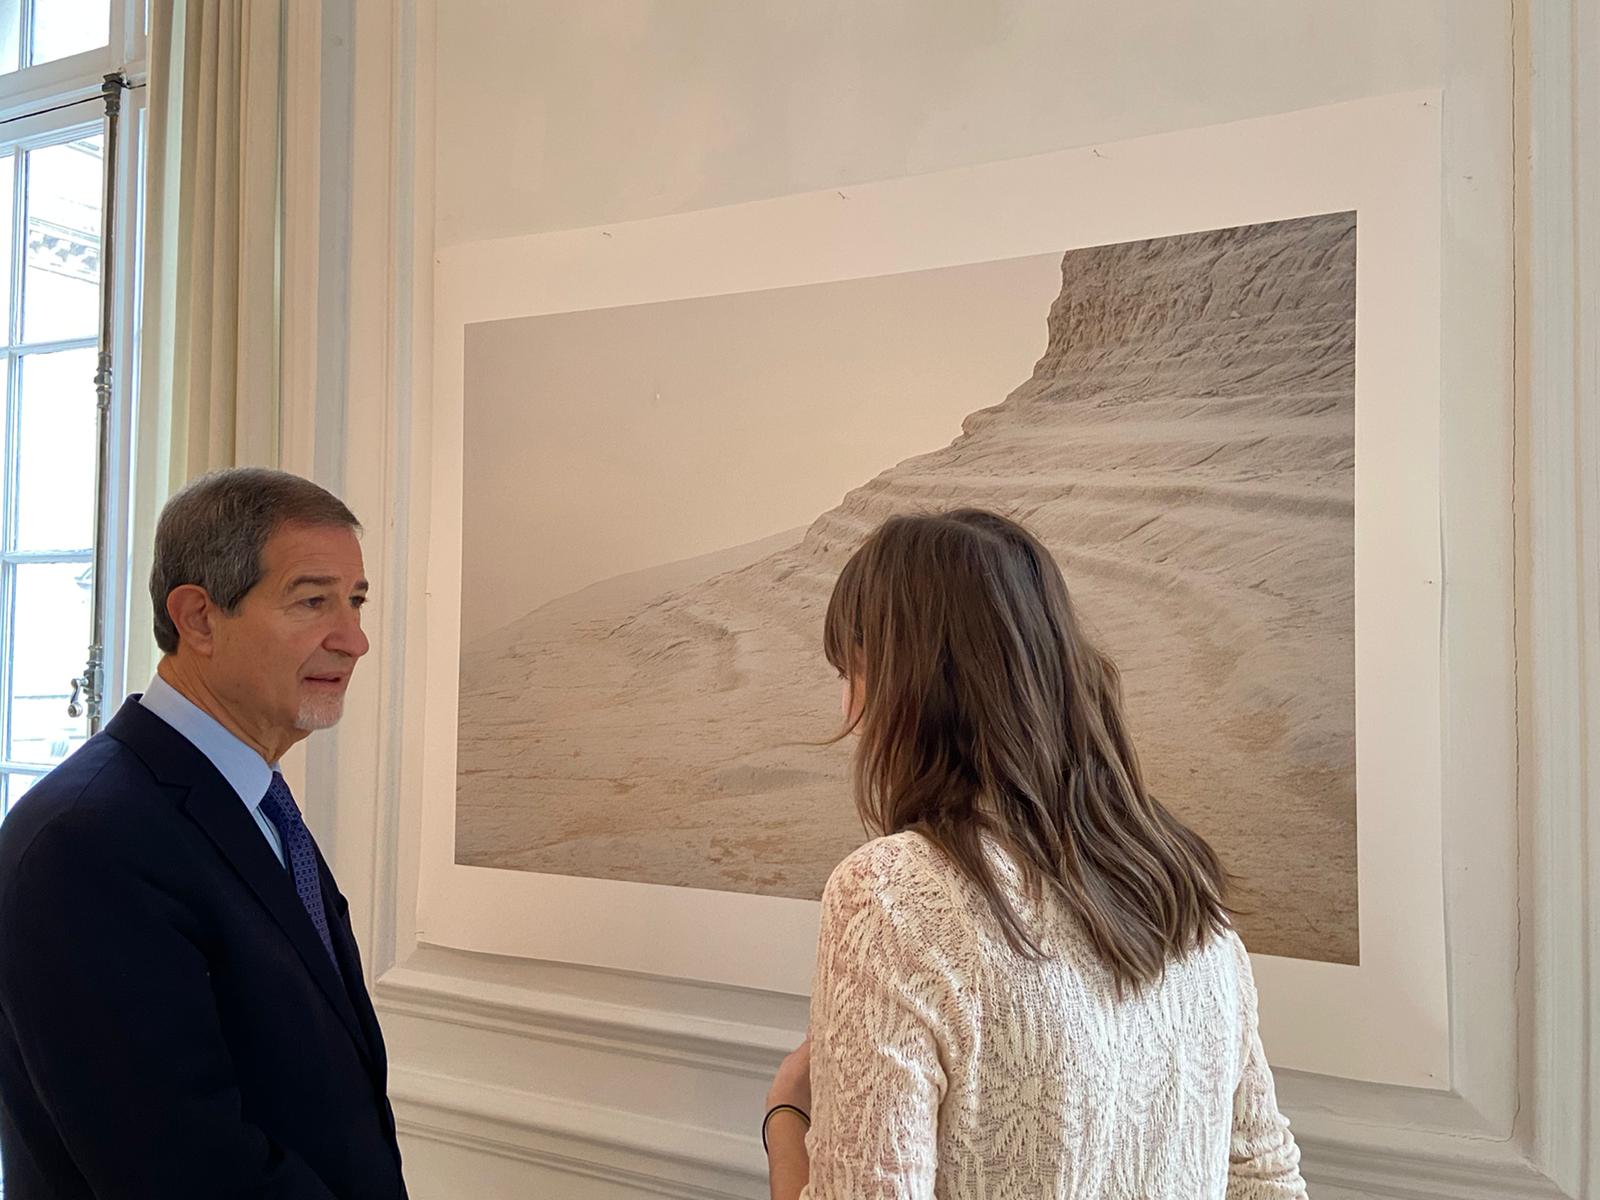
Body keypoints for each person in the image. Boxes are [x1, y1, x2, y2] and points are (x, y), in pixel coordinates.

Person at [762, 509, 1307, 1199]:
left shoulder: (888, 894)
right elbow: (1267, 1181)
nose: (848, 710)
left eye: (852, 672)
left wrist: (785, 1115)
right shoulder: (1179, 882)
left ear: (904, 683)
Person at [0, 468, 406, 1199]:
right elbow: (183, 1171)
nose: (354, 639)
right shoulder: (87, 841)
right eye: (313, 600)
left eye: (354, 601)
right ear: (198, 618)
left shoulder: (253, 799)